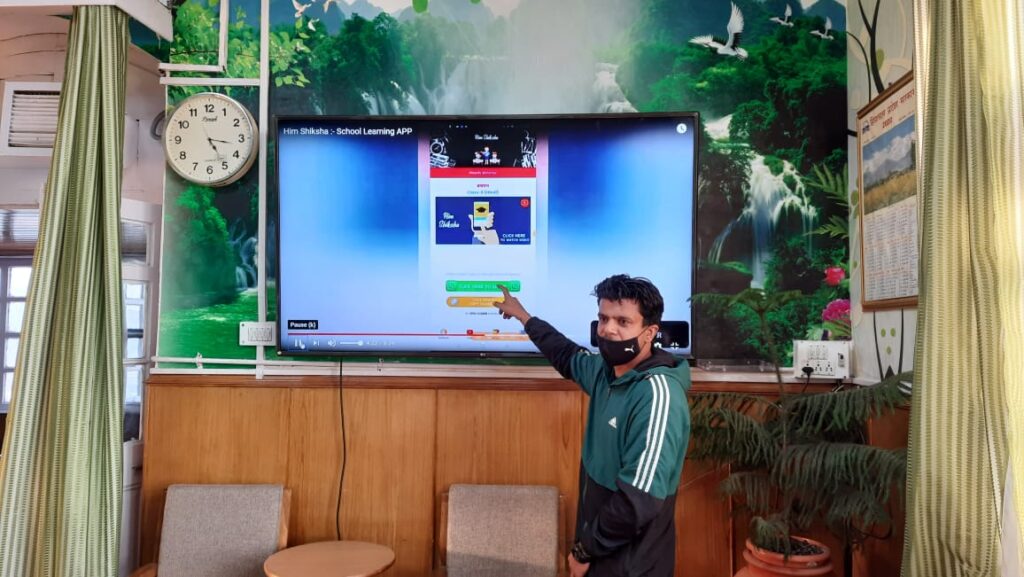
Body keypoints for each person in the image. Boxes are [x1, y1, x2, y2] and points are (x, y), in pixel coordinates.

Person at [494, 275, 691, 577]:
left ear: (650, 332)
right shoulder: (605, 371)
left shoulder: (657, 395)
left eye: (623, 321)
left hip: (632, 565)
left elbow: (639, 499)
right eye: (603, 318)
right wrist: (524, 317)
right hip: (600, 551)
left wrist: (585, 549)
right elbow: (566, 354)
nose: (608, 329)